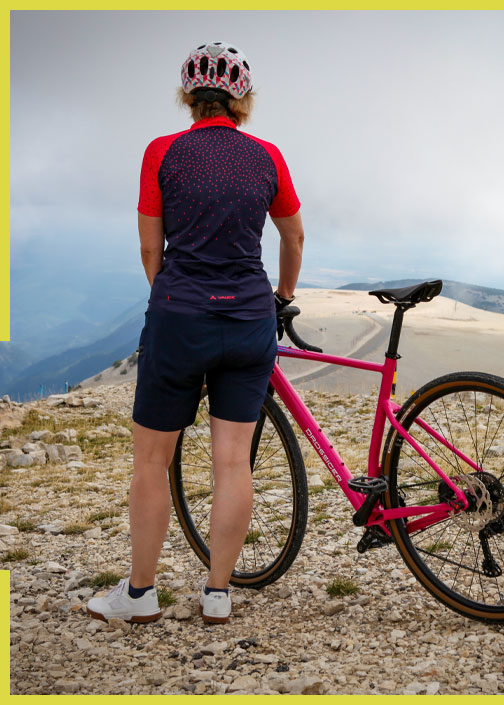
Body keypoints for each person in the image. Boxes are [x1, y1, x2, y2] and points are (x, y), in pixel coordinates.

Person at [86, 40, 304, 625]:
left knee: (151, 461)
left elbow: (149, 248)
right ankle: (218, 593)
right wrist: (282, 298)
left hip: (180, 319)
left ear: (189, 97)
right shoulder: (267, 156)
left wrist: (171, 299)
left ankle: (140, 596)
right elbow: (294, 237)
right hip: (251, 319)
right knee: (233, 462)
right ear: (242, 101)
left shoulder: (163, 152)